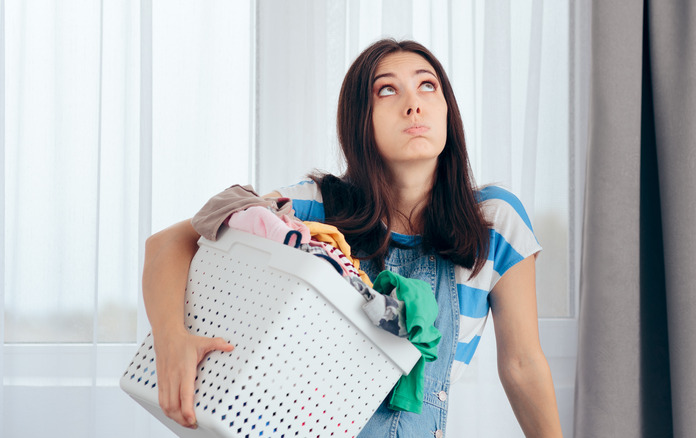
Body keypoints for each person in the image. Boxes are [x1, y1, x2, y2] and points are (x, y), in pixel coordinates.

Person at [142, 38, 563, 437]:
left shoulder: (494, 222)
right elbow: (167, 243)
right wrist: (171, 337)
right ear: (359, 119)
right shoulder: (315, 207)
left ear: (448, 110)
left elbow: (522, 364)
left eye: (427, 85)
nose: (414, 104)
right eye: (387, 91)